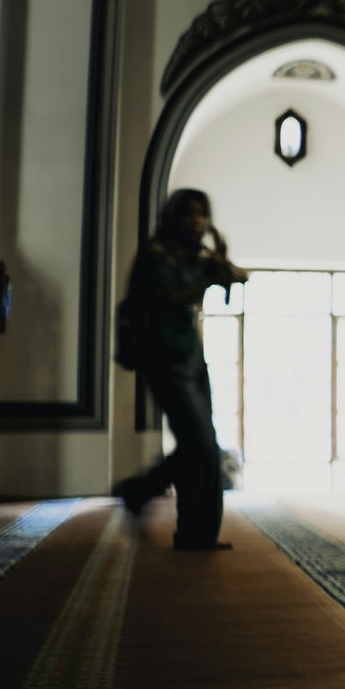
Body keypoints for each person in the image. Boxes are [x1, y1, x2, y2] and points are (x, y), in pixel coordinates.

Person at [114, 189, 247, 550]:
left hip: (190, 355)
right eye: (189, 214)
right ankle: (140, 491)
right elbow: (165, 296)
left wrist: (226, 269)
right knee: (201, 444)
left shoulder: (195, 256)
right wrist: (209, 280)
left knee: (202, 446)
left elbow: (229, 276)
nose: (197, 221)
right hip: (162, 356)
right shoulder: (155, 255)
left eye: (203, 214)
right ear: (173, 217)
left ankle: (194, 533)